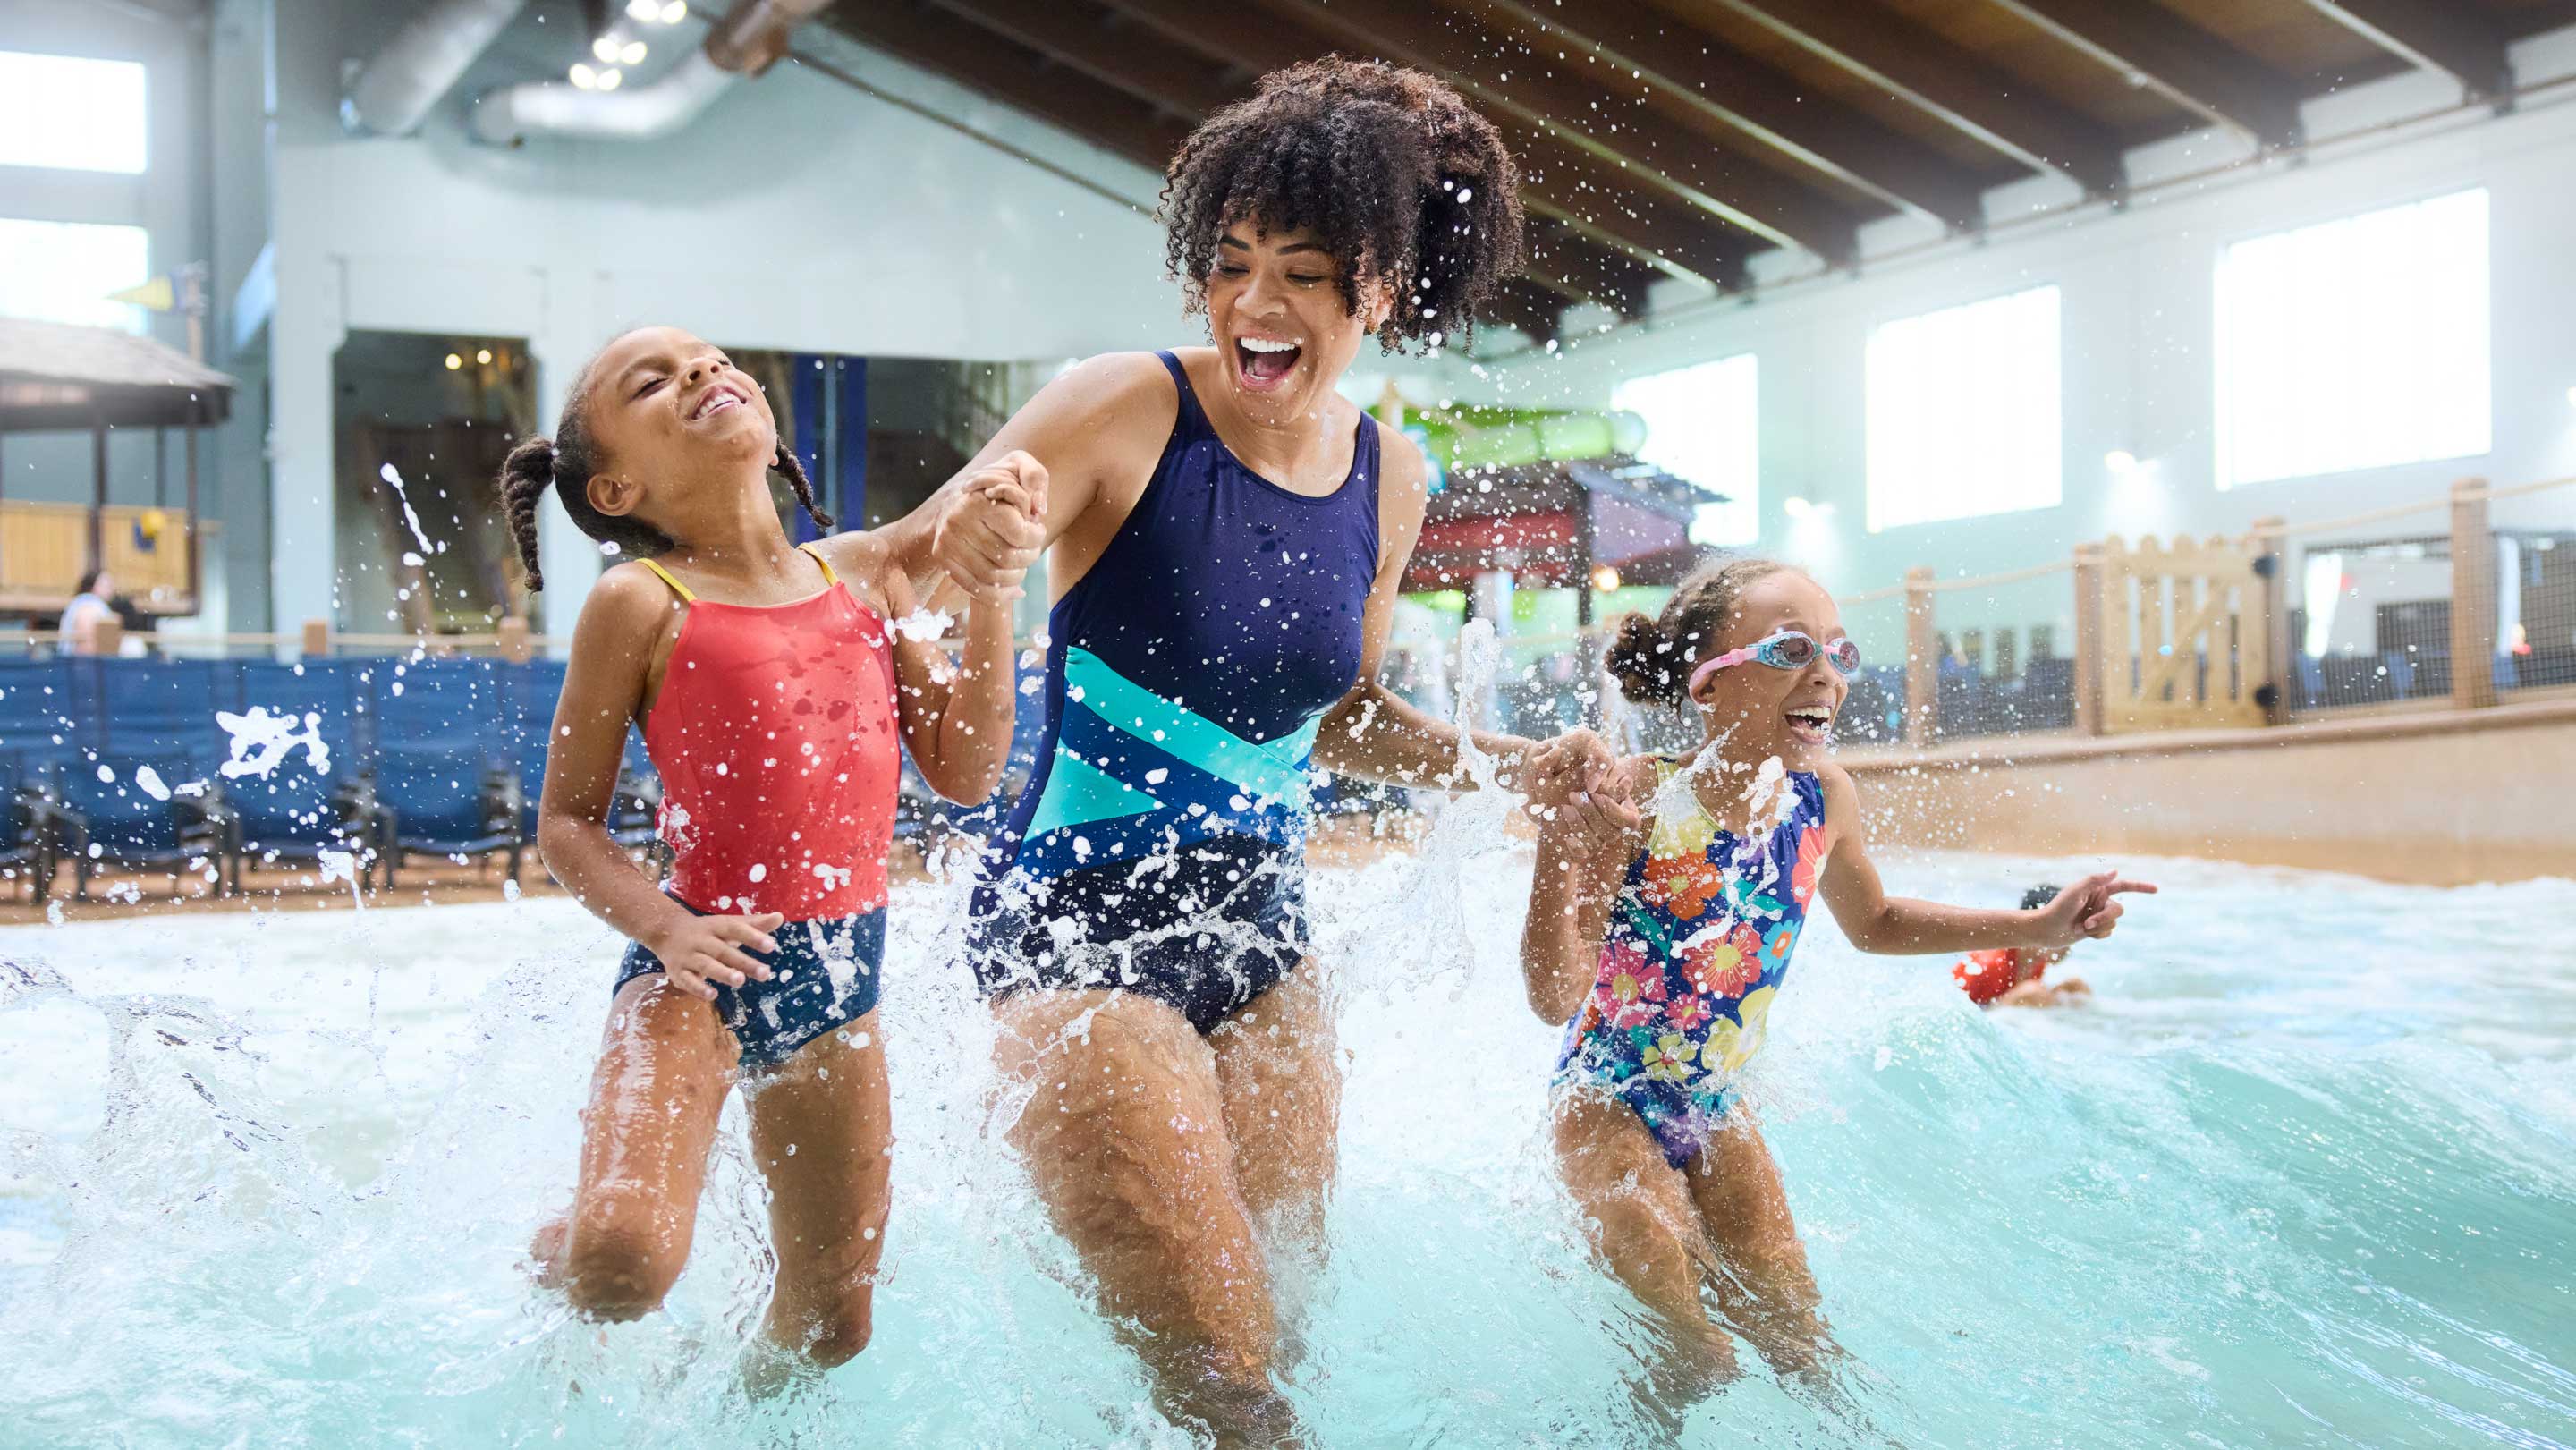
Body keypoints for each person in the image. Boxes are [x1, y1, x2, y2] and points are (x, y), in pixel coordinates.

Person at [881, 56, 1612, 1440]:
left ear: (1381, 291)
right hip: (1074, 935)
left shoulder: (1390, 473)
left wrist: (1520, 764)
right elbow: (899, 565)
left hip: (1266, 940)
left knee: (1288, 1327)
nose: (1254, 306)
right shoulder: (1124, 405)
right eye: (1229, 264)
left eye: (1302, 273)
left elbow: (1339, 714)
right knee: (1233, 1381)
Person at [502, 326, 1036, 1380]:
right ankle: (559, 1245)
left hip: (842, 981)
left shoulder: (866, 577)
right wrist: (665, 927)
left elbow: (968, 771)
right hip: (693, 970)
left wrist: (993, 595)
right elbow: (566, 824)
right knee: (621, 1271)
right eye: (651, 382)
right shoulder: (643, 601)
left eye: (706, 358)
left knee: (834, 1323)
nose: (700, 372)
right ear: (614, 489)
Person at [1520, 557, 2153, 1402]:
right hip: (1603, 1093)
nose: (1824, 673)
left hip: (1710, 1102)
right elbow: (1555, 994)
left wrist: (2035, 928)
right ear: (1709, 685)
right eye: (1788, 649)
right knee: (1663, 1269)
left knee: (1799, 1335)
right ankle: (1660, 1391)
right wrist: (1556, 851)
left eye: (1838, 653)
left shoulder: (1823, 800)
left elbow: (1878, 923)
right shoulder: (1642, 795)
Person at [1954, 884, 2094, 1006]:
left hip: (1999, 1005)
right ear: (2037, 928)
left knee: (2076, 987)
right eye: (2065, 931)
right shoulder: (1989, 964)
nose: (2070, 941)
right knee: (2032, 993)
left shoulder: (2036, 959)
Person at [60, 570, 116, 656]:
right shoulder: (88, 607)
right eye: (107, 585)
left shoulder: (87, 604)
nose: (112, 589)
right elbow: (85, 643)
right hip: (82, 663)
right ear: (93, 586)